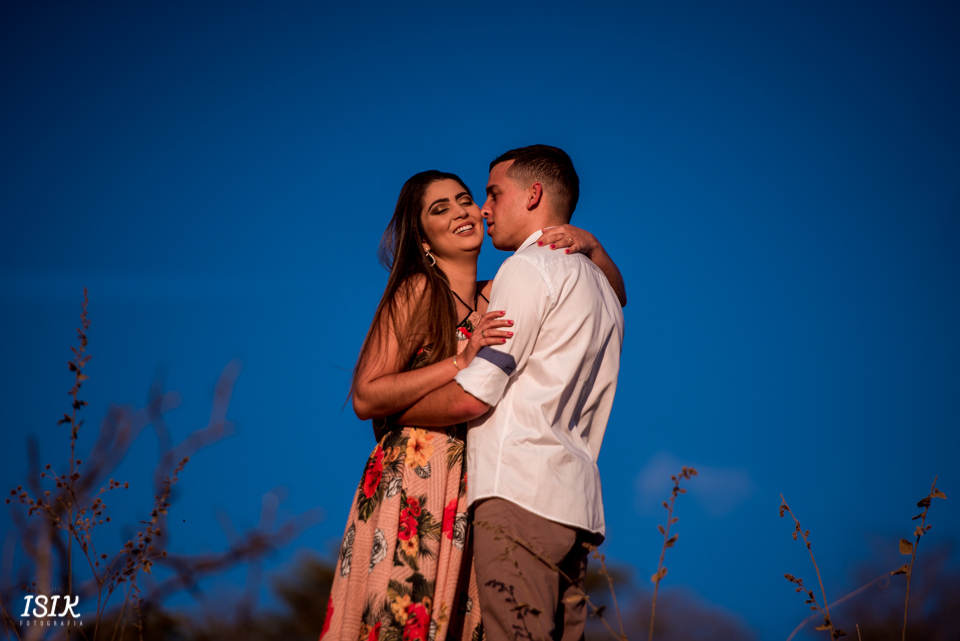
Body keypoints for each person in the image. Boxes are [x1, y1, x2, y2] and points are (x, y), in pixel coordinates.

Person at [320, 167, 625, 641]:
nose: (464, 211)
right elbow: (366, 395)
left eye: (465, 199)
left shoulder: (497, 292)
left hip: (475, 483)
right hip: (417, 480)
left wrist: (592, 247)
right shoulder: (419, 291)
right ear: (423, 239)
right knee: (407, 616)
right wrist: (457, 361)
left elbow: (613, 296)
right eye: (440, 209)